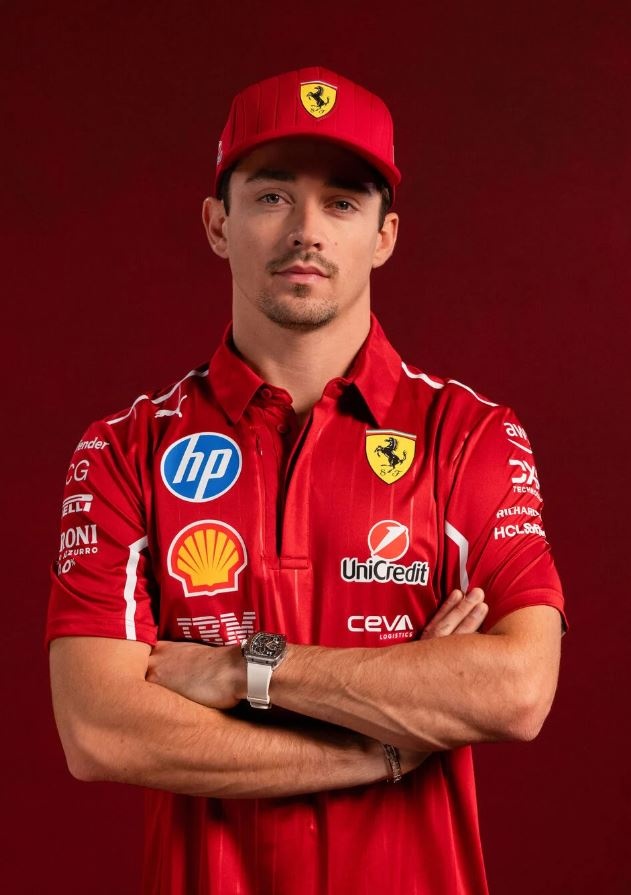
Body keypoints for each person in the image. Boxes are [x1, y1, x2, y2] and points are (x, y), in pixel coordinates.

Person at [47, 66, 567, 895]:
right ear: (217, 224)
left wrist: (243, 667)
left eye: (342, 203)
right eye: (271, 196)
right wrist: (381, 747)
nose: (306, 231)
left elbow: (515, 691)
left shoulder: (469, 436)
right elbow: (101, 730)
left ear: (384, 235)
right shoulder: (123, 449)